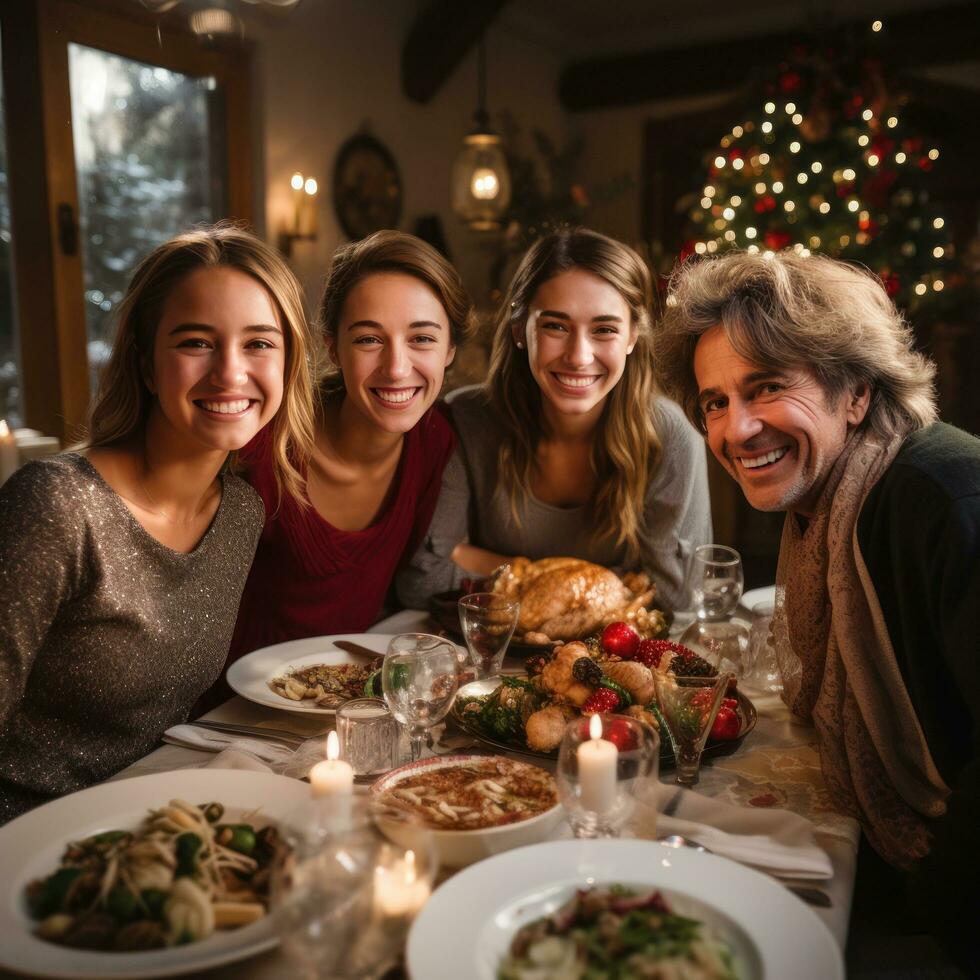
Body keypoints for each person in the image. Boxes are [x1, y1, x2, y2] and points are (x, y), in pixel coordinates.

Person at [656, 248, 979, 971]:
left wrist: (925, 928)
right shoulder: (827, 508)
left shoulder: (940, 497)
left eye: (766, 387)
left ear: (856, 392)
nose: (736, 431)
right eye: (716, 402)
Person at [0, 223, 316, 822]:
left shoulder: (241, 513)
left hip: (149, 822)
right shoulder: (57, 507)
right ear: (146, 364)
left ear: (288, 364)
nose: (230, 372)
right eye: (196, 342)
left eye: (259, 343)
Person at [397, 227, 711, 612]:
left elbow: (676, 599)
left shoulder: (670, 434)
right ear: (520, 331)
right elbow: (423, 580)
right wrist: (605, 581)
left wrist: (486, 562)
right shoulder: (464, 422)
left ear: (632, 337)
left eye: (605, 330)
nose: (579, 356)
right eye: (556, 327)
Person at [228, 230, 473, 659]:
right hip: (234, 711)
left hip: (353, 697)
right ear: (333, 347)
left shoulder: (435, 441)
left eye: (422, 338)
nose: (397, 368)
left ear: (450, 348)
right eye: (368, 339)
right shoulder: (263, 445)